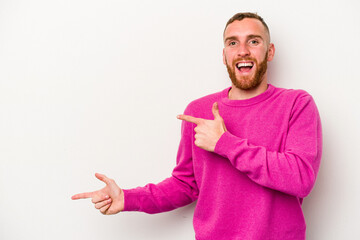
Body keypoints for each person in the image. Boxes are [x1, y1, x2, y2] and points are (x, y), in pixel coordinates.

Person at [72, 12, 322, 240]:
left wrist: (225, 143)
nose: (243, 50)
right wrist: (128, 198)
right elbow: (185, 184)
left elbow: (300, 178)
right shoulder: (199, 112)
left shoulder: (296, 104)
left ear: (270, 52)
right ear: (224, 55)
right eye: (233, 42)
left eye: (254, 41)